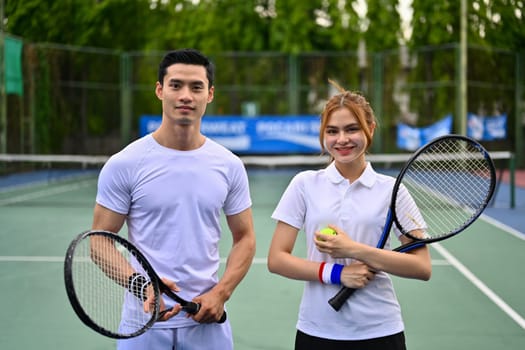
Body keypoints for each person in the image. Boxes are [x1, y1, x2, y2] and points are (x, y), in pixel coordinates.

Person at [92, 48, 256, 350]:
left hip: (207, 325)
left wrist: (220, 294)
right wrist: (142, 287)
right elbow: (99, 241)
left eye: (196, 87)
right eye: (176, 85)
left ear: (210, 94)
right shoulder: (125, 163)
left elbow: (245, 237)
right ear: (160, 90)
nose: (186, 96)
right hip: (142, 324)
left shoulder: (229, 165)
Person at [267, 80, 432, 350]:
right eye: (332, 131)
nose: (341, 139)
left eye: (352, 129)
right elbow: (277, 259)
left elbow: (422, 267)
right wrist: (337, 273)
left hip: (380, 330)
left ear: (370, 129)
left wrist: (353, 249)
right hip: (317, 330)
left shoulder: (393, 191)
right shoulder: (304, 184)